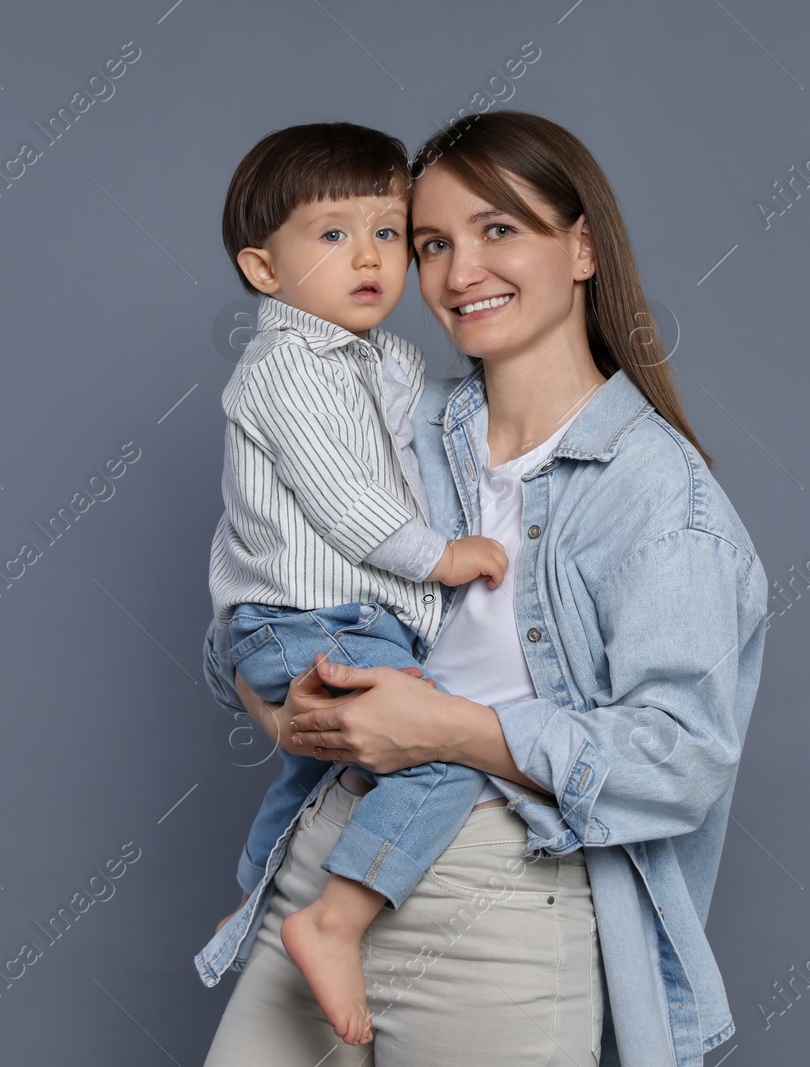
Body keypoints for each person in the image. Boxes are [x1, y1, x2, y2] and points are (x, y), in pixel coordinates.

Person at [198, 110, 769, 1066]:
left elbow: (682, 760)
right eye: (431, 243)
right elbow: (253, 588)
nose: (461, 273)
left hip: (501, 902)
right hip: (324, 863)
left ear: (581, 246)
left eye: (499, 229)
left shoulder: (658, 495)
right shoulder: (392, 417)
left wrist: (449, 731)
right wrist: (283, 718)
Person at [197, 121, 513, 1045]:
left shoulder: (391, 361)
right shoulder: (288, 367)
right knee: (439, 751)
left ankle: (253, 906)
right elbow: (351, 506)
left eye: (388, 230)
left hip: (332, 618)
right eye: (333, 235)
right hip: (309, 616)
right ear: (264, 270)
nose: (370, 256)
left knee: (310, 782)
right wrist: (445, 558)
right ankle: (331, 922)